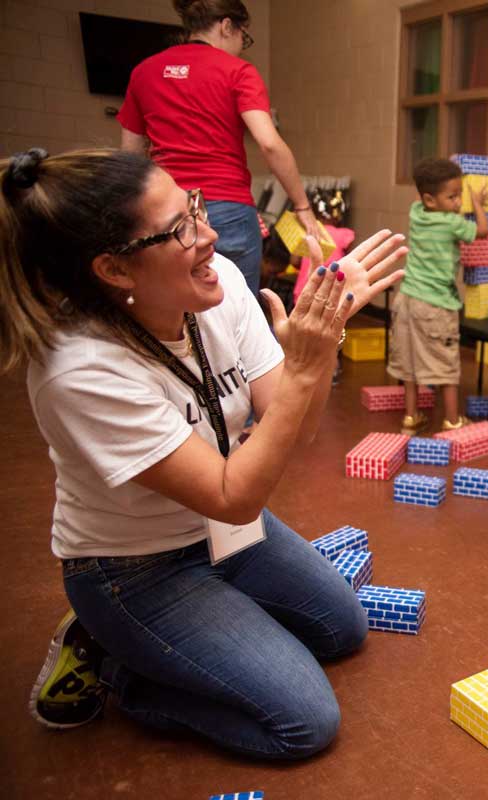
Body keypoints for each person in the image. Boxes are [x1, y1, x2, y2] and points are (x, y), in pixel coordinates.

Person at [5, 147, 408, 759]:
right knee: (304, 723)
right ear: (114, 270)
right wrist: (305, 364)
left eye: (194, 206)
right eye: (179, 228)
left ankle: (193, 634)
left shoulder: (217, 278)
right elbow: (233, 491)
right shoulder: (78, 371)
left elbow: (290, 427)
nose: (211, 234)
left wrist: (324, 335)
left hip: (226, 532)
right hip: (134, 568)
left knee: (341, 629)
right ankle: (117, 664)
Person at [118, 0, 319, 294]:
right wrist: (302, 205)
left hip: (167, 211)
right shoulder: (238, 71)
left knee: (175, 308)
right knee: (235, 309)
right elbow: (270, 144)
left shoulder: (144, 72)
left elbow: (129, 156)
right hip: (228, 208)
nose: (242, 46)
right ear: (227, 26)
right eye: (243, 37)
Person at [386, 157, 488, 433]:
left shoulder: (415, 212)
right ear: (431, 200)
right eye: (453, 196)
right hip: (435, 305)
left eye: (459, 196)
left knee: (409, 364)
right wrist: (477, 203)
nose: (458, 203)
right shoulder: (450, 223)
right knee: (446, 363)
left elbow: (432, 201)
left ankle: (411, 417)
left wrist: (450, 195)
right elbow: (483, 231)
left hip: (406, 299)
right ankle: (453, 420)